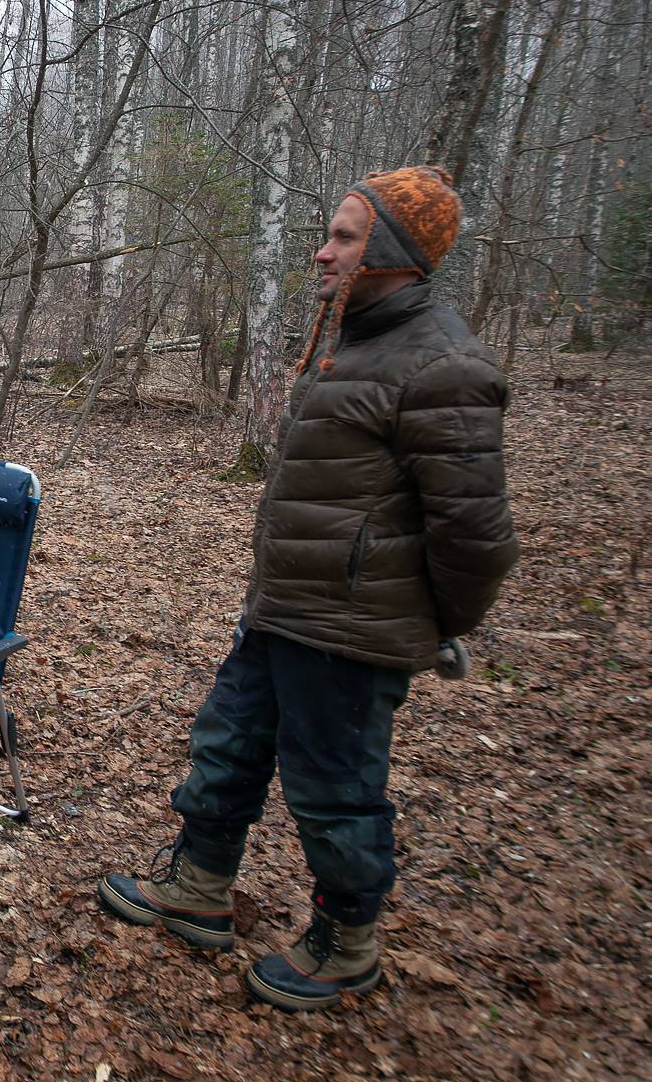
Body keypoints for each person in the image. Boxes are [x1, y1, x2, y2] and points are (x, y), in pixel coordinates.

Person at [97, 165, 520, 1011]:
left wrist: (428, 623)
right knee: (228, 743)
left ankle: (345, 941)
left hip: (352, 630)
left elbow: (477, 535)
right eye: (329, 236)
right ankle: (200, 884)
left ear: (392, 251)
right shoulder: (350, 339)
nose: (323, 253)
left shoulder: (444, 364)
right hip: (282, 609)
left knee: (334, 788)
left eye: (344, 238)